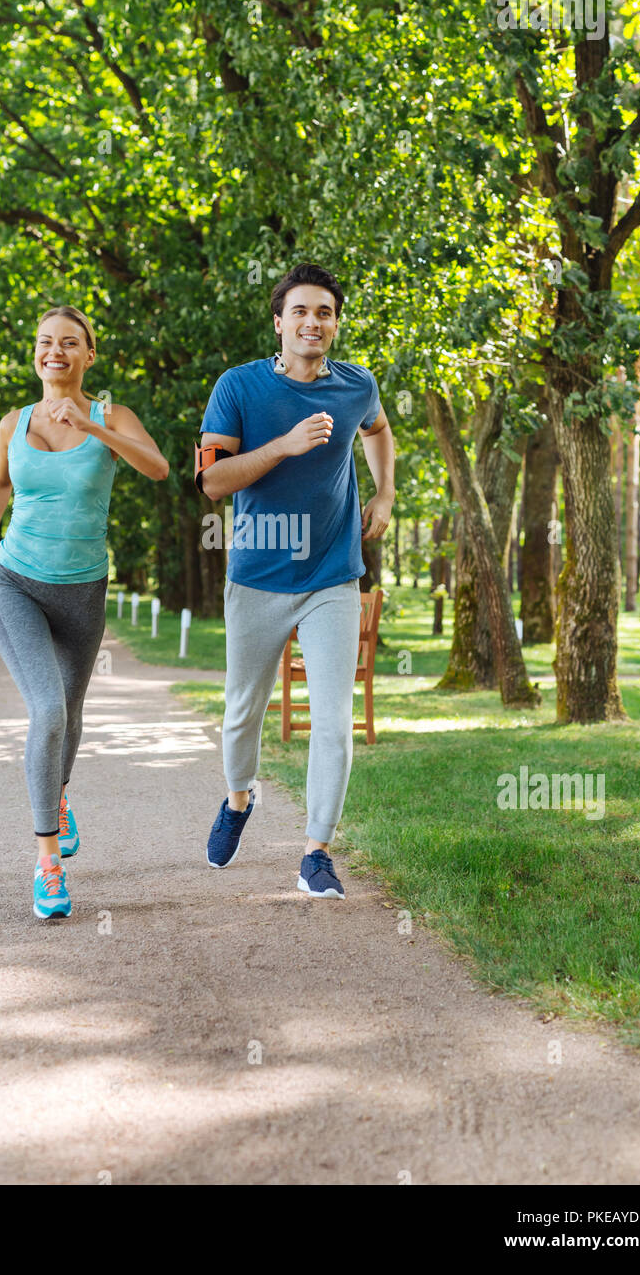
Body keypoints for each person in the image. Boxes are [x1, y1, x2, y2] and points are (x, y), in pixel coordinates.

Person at [197, 263, 395, 899]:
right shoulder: (238, 387)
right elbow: (212, 484)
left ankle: (316, 852)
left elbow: (380, 430)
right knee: (241, 713)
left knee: (332, 720)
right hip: (257, 575)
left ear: (335, 324)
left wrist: (385, 492)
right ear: (279, 323)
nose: (314, 322)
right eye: (302, 312)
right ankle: (237, 799)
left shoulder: (356, 386)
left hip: (333, 577)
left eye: (326, 313)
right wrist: (284, 445)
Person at [0, 306, 168, 920]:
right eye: (46, 342)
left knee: (72, 717)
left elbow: (157, 469)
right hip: (16, 582)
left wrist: (91, 425)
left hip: (82, 590)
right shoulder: (15, 421)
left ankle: (57, 798)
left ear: (89, 355)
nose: (55, 351)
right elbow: (1, 482)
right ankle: (47, 864)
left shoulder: (113, 416)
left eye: (70, 343)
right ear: (36, 351)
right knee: (48, 710)